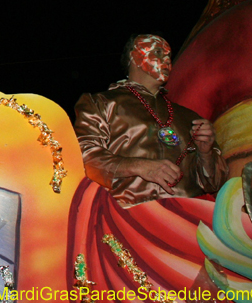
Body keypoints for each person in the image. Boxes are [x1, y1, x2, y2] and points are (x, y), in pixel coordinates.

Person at [73, 34, 228, 207]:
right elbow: (83, 158)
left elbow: (216, 184)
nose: (167, 60)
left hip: (190, 218)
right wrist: (138, 166)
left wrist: (205, 153)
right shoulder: (100, 103)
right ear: (134, 57)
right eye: (159, 52)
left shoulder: (190, 117)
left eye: (169, 55)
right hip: (127, 213)